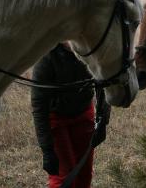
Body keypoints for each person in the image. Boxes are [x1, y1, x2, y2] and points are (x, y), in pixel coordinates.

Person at [31, 43, 110, 188]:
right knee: (65, 178)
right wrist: (47, 150)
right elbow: (39, 106)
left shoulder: (89, 49)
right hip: (56, 120)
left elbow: (103, 82)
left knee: (84, 175)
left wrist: (102, 120)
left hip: (84, 113)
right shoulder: (46, 56)